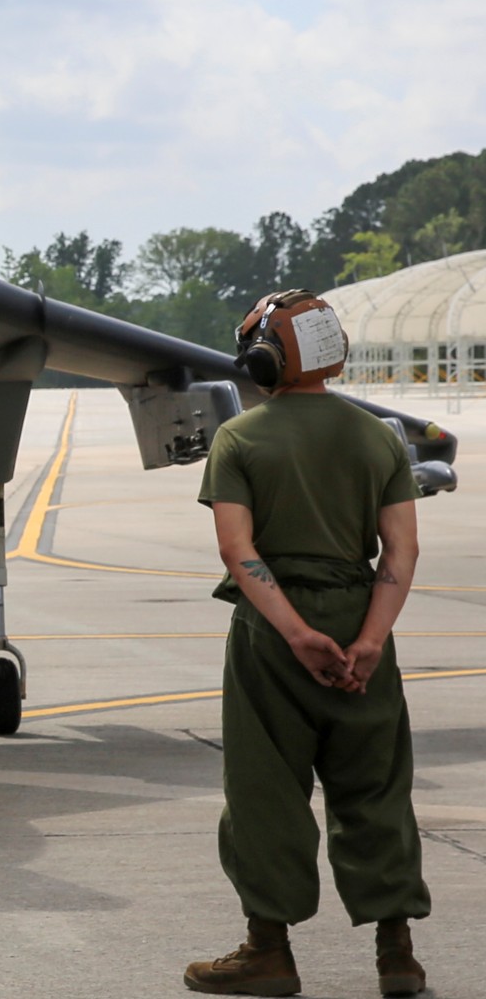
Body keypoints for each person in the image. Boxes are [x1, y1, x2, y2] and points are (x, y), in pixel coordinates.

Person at [183, 291, 430, 997]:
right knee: (377, 788)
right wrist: (370, 642)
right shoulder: (381, 436)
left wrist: (296, 634)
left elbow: (238, 550)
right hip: (361, 619)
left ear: (265, 359)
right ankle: (397, 957)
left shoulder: (240, 439)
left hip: (272, 631)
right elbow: (402, 553)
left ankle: (269, 951)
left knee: (265, 791)